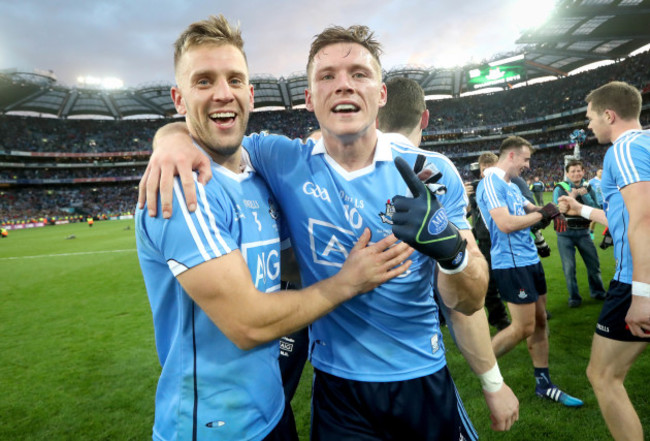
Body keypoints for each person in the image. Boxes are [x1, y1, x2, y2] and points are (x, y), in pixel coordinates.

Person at [140, 25, 493, 440]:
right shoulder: (280, 158)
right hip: (336, 388)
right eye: (327, 76)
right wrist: (172, 138)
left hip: (421, 375)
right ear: (310, 98)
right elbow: (216, 133)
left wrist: (452, 252)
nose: (343, 85)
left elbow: (470, 302)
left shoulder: (431, 172)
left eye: (359, 74)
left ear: (380, 94)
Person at [377, 76, 519, 431]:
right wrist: (492, 382)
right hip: (418, 363)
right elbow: (466, 299)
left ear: (376, 112)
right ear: (424, 118)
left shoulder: (326, 160)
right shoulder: (440, 170)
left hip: (336, 379)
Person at [558, 80, 650, 441]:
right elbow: (626, 216)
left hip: (637, 282)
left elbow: (643, 219)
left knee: (603, 375)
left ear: (609, 115)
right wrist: (582, 209)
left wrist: (642, 294)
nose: (589, 126)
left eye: (591, 118)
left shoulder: (623, 149)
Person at [476, 135, 584, 407]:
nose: (527, 165)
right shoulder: (490, 183)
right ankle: (480, 366)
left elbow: (533, 208)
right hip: (511, 264)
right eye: (525, 159)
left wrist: (554, 209)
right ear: (511, 155)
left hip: (529, 260)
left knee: (540, 321)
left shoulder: (511, 186)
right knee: (522, 326)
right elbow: (505, 224)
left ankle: (543, 384)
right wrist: (543, 215)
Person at [464, 153, 511, 330]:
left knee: (513, 276)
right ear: (481, 171)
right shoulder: (475, 188)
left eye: (493, 167)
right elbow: (463, 214)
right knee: (489, 283)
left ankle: (527, 306)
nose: (489, 172)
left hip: (506, 238)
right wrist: (466, 197)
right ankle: (498, 318)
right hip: (485, 241)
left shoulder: (505, 185)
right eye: (485, 169)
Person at [552, 159, 607, 308]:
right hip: (565, 233)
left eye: (578, 171)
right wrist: (575, 199)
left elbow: (596, 210)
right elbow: (559, 211)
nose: (576, 174)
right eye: (572, 171)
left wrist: (583, 199)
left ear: (583, 172)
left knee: (593, 265)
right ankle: (574, 298)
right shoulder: (560, 187)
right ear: (567, 174)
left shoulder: (588, 187)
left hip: (583, 232)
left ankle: (598, 292)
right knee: (569, 268)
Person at [588, 168, 603, 239]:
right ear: (597, 172)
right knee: (594, 220)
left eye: (603, 172)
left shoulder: (605, 180)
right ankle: (590, 232)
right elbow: (587, 189)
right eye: (600, 172)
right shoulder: (592, 181)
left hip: (605, 202)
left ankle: (610, 236)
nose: (602, 173)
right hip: (596, 203)